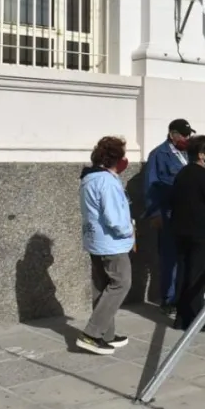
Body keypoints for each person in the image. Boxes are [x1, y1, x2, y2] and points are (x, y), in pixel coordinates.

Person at [77, 136, 134, 355]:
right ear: (114, 158)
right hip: (112, 243)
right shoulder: (107, 181)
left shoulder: (89, 178)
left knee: (102, 286)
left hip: (95, 240)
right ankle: (92, 333)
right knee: (121, 283)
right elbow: (114, 217)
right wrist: (128, 230)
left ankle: (105, 333)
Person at [169, 135, 205, 332]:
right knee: (198, 277)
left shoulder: (182, 173)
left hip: (181, 231)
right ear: (201, 155)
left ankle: (181, 317)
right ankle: (196, 319)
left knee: (184, 274)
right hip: (201, 233)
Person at [144, 118, 195, 315]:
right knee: (169, 258)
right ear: (172, 134)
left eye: (188, 134)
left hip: (189, 213)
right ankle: (169, 298)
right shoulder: (159, 155)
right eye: (183, 135)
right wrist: (154, 213)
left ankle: (184, 295)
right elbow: (151, 186)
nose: (187, 138)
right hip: (168, 213)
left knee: (186, 257)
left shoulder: (189, 153)